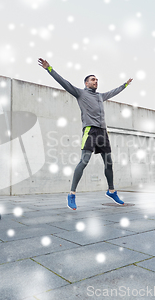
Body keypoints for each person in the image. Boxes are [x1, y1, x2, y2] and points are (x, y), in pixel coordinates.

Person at [38, 58, 133, 210]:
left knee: (109, 162)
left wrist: (125, 85)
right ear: (86, 83)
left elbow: (114, 91)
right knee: (84, 161)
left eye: (97, 80)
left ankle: (111, 191)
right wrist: (49, 69)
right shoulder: (81, 94)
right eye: (93, 80)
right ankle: (72, 194)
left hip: (102, 132)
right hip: (90, 131)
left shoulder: (101, 96)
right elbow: (64, 83)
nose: (96, 81)